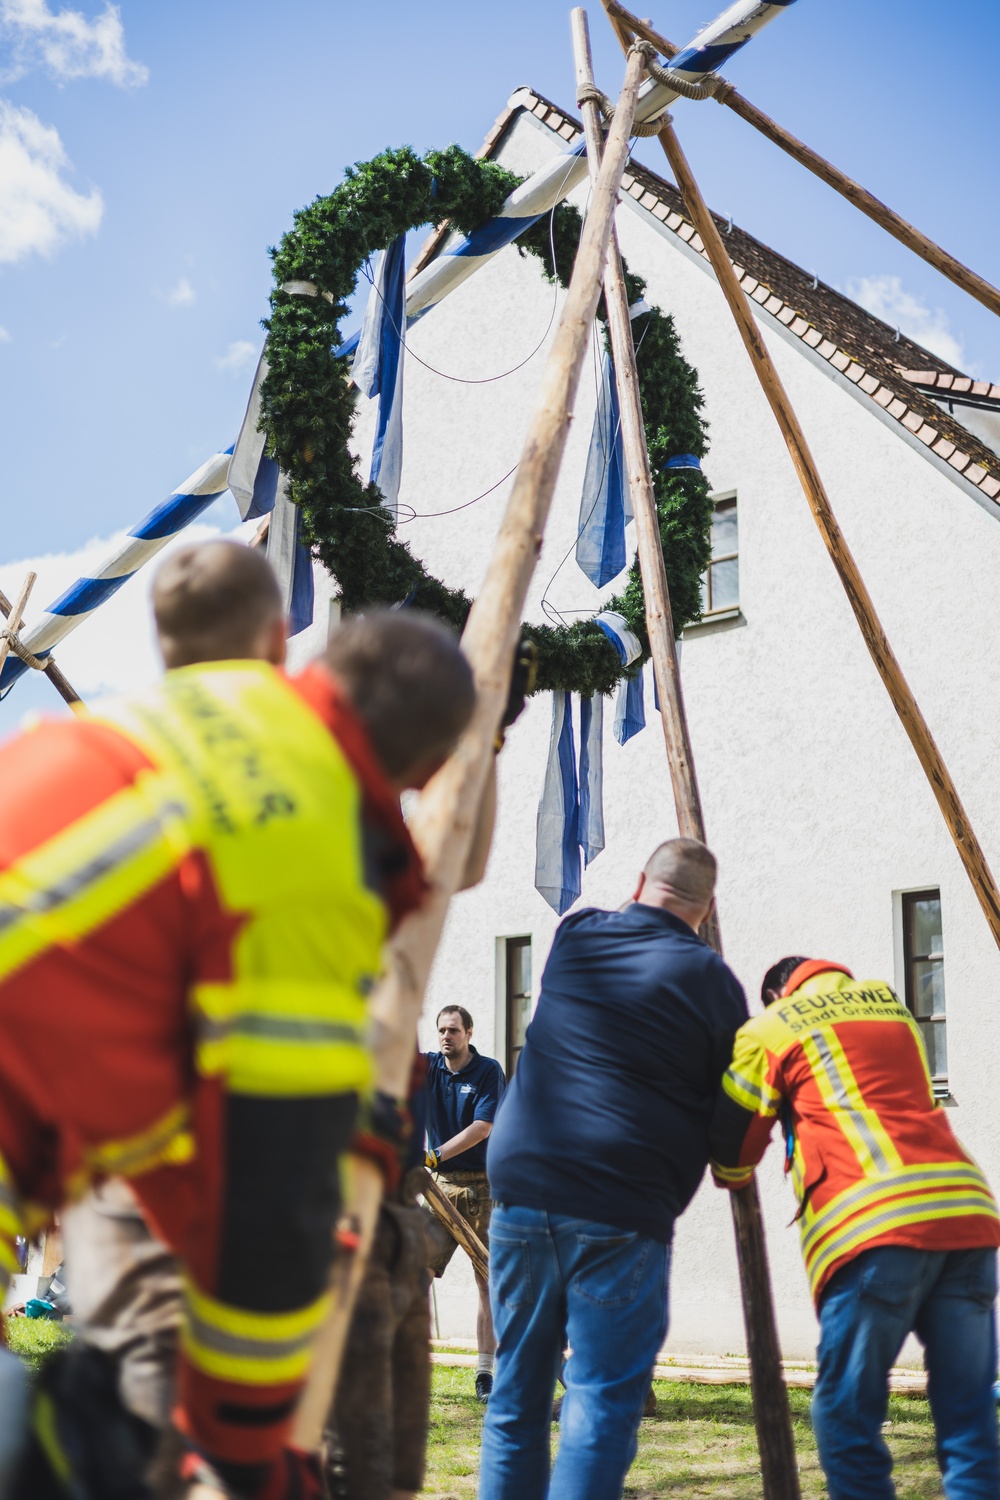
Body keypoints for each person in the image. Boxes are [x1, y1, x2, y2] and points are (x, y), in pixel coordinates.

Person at [0, 540, 480, 1499]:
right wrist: (251, 1451)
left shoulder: (173, 729)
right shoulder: (312, 856)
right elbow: (270, 1182)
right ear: (420, 773)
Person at [478, 838, 748, 1500]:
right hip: (622, 1206)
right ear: (709, 908)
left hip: (522, 1187)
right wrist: (732, 1166)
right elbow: (730, 1111)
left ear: (638, 881)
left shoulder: (577, 937)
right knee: (597, 1402)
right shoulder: (715, 985)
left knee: (515, 1393)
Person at [709, 955, 1000, 1500]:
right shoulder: (891, 1008)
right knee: (968, 1420)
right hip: (965, 1215)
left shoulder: (772, 1029)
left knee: (846, 1416)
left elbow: (735, 1140)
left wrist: (730, 1171)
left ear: (776, 995)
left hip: (874, 1224)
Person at [425, 1005, 506, 1402]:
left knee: (487, 1282)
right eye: (441, 1030)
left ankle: (485, 1374)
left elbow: (482, 1127)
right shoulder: (427, 1068)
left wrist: (434, 1154)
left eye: (453, 1030)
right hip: (437, 1188)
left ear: (469, 1033)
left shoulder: (488, 1071)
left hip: (482, 1188)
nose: (446, 1036)